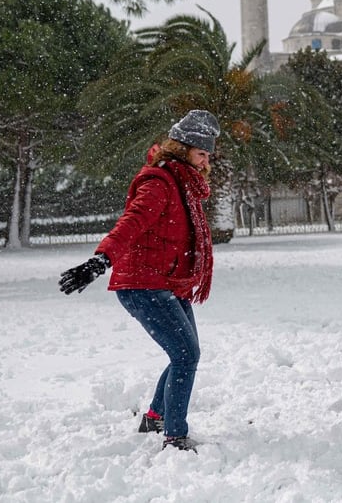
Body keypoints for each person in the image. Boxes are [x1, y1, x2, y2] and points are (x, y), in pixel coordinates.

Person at [58, 109, 220, 453]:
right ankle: (174, 436)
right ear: (181, 148)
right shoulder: (160, 183)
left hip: (168, 281)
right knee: (185, 355)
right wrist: (100, 260)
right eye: (200, 152)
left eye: (208, 154)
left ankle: (155, 417)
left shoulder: (184, 184)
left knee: (185, 354)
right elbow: (131, 223)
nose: (206, 160)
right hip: (143, 284)